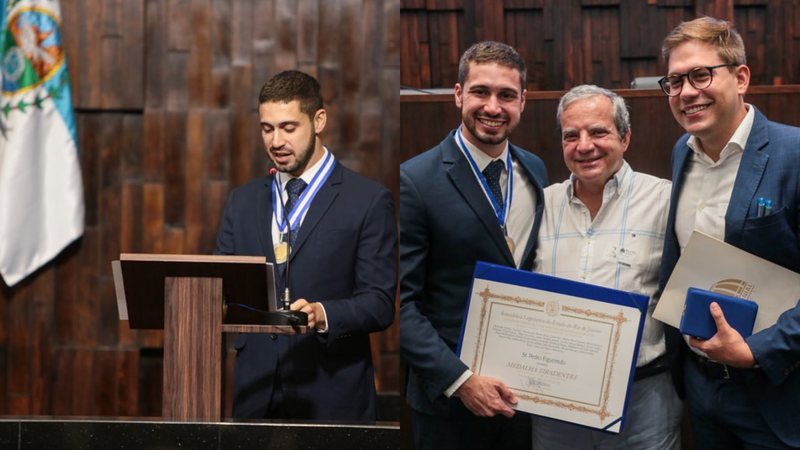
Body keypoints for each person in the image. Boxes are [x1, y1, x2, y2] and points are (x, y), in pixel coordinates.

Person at [215, 70, 397, 421]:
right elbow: (221, 286)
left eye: (288, 127)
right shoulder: (242, 202)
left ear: (318, 121)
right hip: (256, 393)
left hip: (331, 392)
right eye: (267, 129)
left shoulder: (368, 200)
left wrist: (323, 313)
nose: (276, 141)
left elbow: (379, 303)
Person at [658, 16, 800, 449]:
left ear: (740, 78)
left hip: (775, 393)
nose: (686, 93)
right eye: (675, 81)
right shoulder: (682, 152)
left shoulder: (793, 154)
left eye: (701, 75)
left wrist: (758, 352)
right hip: (702, 389)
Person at [400, 41, 548, 449]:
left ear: (523, 101)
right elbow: (403, 305)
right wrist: (460, 381)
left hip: (521, 395)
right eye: (481, 91)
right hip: (449, 404)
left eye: (506, 95)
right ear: (458, 94)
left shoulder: (534, 168)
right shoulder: (415, 180)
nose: (493, 107)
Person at [531, 85, 680, 449]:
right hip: (555, 402)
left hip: (643, 397)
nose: (584, 146)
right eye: (572, 135)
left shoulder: (666, 199)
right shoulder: (539, 204)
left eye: (598, 131)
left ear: (625, 137)